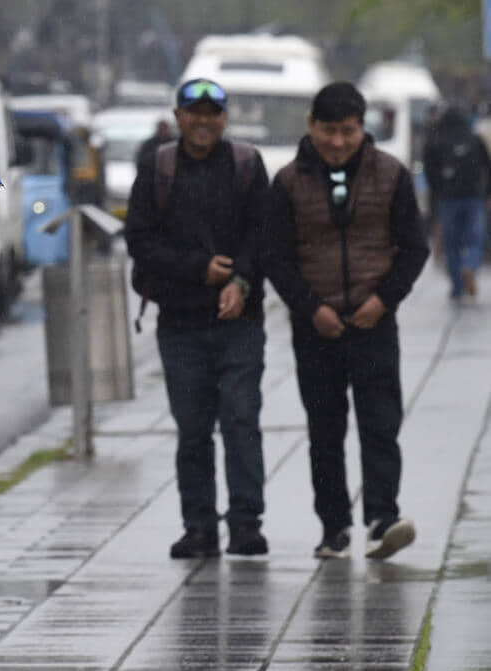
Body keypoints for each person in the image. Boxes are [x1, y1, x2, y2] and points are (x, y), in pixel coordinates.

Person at [262, 81, 429, 560]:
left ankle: (382, 516)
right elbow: (276, 256)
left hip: (374, 321)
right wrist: (310, 307)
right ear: (312, 127)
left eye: (348, 132)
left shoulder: (391, 176)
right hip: (315, 326)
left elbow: (414, 248)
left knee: (380, 423)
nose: (338, 142)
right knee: (324, 429)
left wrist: (384, 300)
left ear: (363, 129)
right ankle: (332, 526)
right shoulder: (289, 181)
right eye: (329, 131)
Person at [124, 77, 271, 559]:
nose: (203, 121)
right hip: (181, 322)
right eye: (194, 112)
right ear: (179, 115)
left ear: (224, 118)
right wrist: (199, 270)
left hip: (240, 321)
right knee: (192, 428)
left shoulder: (248, 166)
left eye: (213, 113)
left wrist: (240, 281)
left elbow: (264, 233)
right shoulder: (157, 168)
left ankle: (246, 523)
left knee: (241, 419)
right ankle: (199, 525)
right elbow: (140, 241)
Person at [422, 102, 491, 299]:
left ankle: (456, 286)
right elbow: (488, 166)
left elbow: (429, 171)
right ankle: (469, 264)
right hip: (474, 197)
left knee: (452, 244)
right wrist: (487, 193)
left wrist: (438, 191)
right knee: (475, 239)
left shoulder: (435, 141)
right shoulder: (474, 139)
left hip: (448, 198)